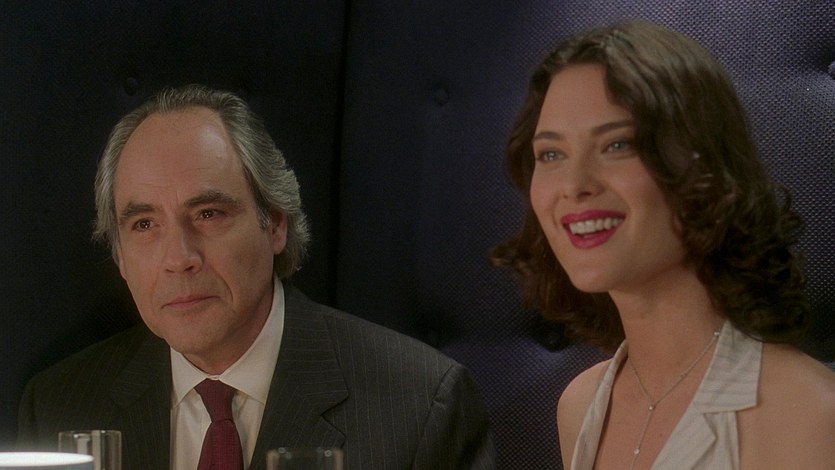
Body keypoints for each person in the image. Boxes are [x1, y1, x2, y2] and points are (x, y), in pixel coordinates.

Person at [18, 85, 496, 470]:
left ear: (276, 225)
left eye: (208, 214)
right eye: (144, 225)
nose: (179, 258)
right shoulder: (60, 406)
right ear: (119, 257)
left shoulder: (420, 407)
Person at [492, 21, 835, 470]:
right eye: (551, 154)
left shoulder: (811, 415)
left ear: (702, 166)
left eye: (617, 145)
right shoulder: (580, 405)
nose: (573, 186)